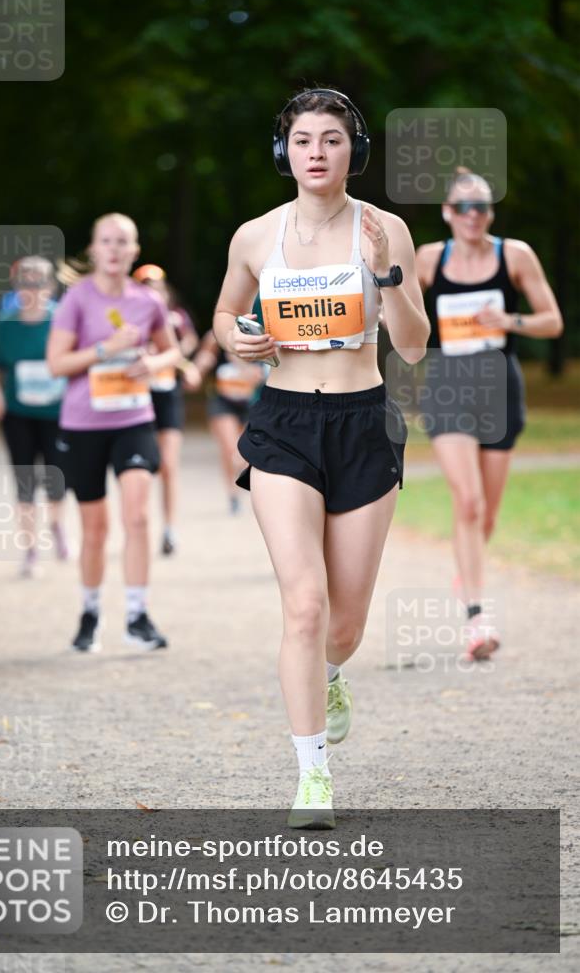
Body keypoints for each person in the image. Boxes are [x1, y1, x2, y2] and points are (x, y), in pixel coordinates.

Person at [212, 89, 429, 829]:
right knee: (302, 604)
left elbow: (412, 344)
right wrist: (233, 339)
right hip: (284, 423)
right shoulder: (253, 236)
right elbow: (222, 313)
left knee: (343, 622)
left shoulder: (385, 230)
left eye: (331, 139)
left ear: (351, 151)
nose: (315, 151)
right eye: (301, 139)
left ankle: (332, 674)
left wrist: (385, 277)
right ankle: (312, 776)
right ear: (284, 153)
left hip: (363, 421)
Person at [415, 167, 563, 661]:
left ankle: (467, 570)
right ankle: (476, 617)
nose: (472, 215)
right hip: (449, 388)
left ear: (490, 212)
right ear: (446, 213)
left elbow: (553, 321)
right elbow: (401, 313)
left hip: (500, 387)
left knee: (489, 514)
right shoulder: (430, 259)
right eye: (462, 207)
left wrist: (511, 320)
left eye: (481, 206)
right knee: (470, 503)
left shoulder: (514, 254)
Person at [47, 213, 181, 653]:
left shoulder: (148, 302)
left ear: (135, 251)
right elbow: (57, 364)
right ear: (93, 249)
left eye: (123, 242)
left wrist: (155, 364)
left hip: (134, 419)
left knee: (138, 516)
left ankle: (137, 616)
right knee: (96, 528)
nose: (114, 249)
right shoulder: (76, 300)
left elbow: (172, 351)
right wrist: (106, 350)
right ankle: (89, 613)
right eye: (106, 241)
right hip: (83, 424)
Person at [0, 256, 69, 578]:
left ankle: (58, 525)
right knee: (24, 480)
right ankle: (30, 549)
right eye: (24, 282)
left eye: (37, 283)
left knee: (56, 478)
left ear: (50, 287)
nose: (30, 289)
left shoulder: (62, 321)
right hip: (17, 413)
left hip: (56, 413)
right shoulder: (6, 322)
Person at [133, 263, 201, 555]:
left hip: (167, 393)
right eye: (146, 286)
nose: (153, 291)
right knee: (140, 468)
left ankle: (170, 529)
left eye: (157, 286)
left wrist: (178, 359)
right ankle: (138, 525)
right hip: (137, 397)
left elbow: (188, 340)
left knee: (168, 465)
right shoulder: (127, 316)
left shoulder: (176, 316)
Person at [193, 326, 266, 515]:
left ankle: (245, 487)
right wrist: (200, 366)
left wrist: (246, 368)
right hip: (223, 402)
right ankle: (232, 495)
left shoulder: (261, 335)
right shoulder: (216, 336)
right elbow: (201, 365)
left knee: (244, 454)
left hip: (250, 402)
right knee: (229, 450)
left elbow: (262, 374)